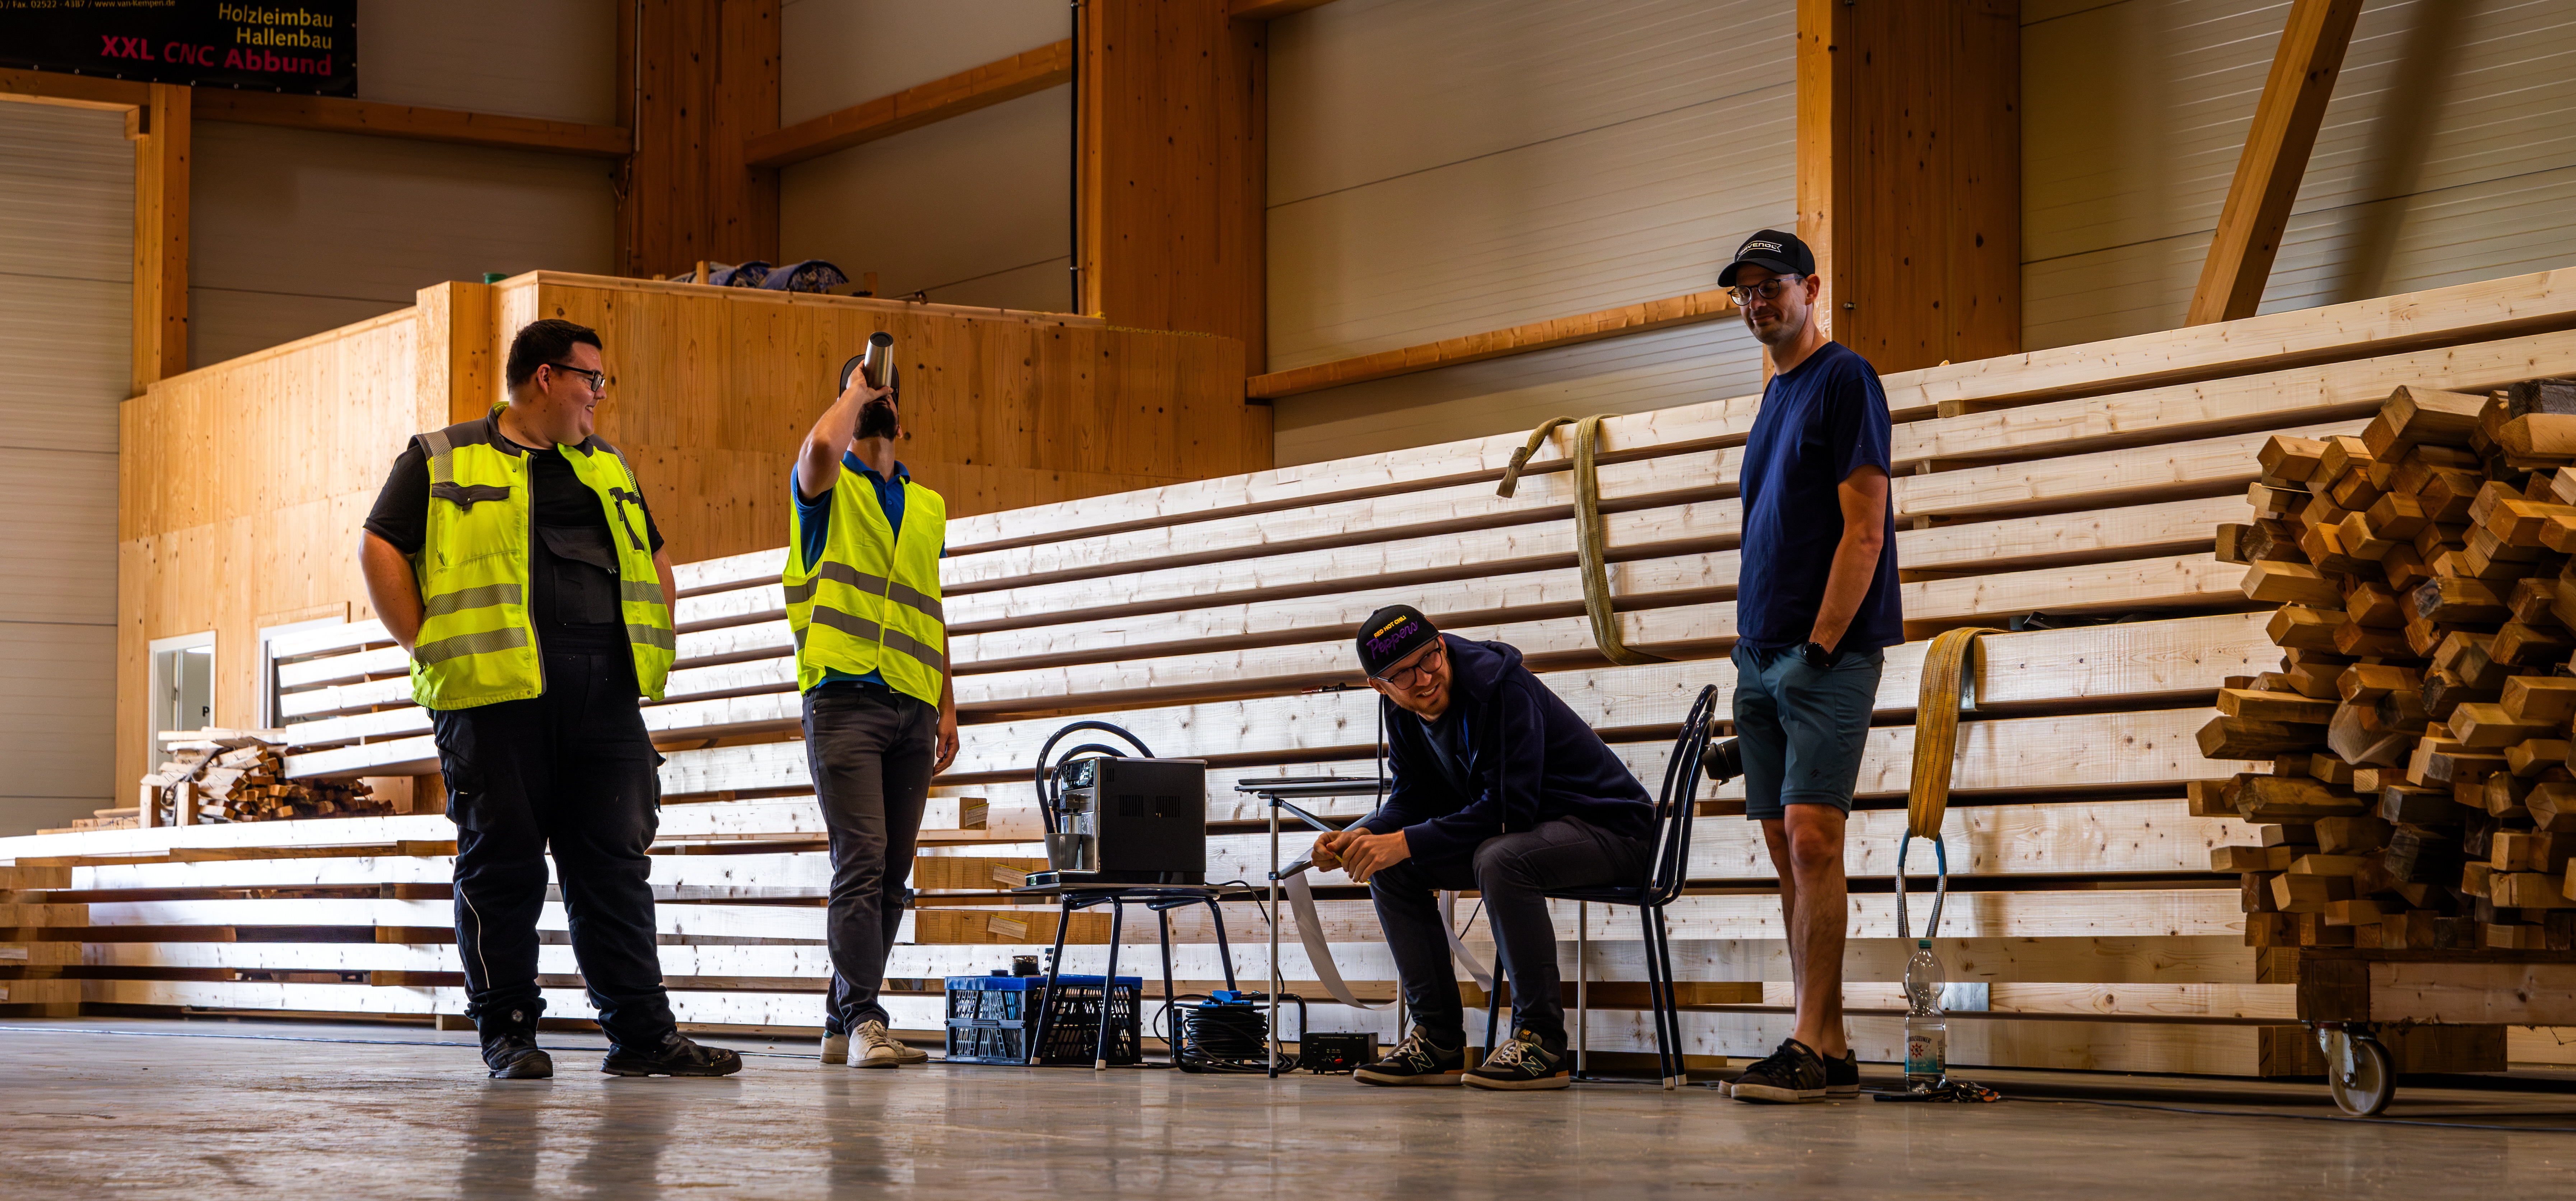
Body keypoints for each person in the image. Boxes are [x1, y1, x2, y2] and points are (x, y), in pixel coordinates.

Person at [359, 318, 741, 1079]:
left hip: (605, 700)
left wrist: (649, 639)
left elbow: (655, 559)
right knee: (502, 868)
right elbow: (380, 545)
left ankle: (642, 1036)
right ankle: (509, 1033)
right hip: (493, 700)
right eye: (590, 380)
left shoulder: (607, 465)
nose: (599, 396)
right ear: (546, 378)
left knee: (615, 869)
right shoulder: (442, 456)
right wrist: (424, 640)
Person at [1312, 605, 1657, 1091]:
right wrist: (1362, 836)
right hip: (1537, 833)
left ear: (1441, 644)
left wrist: (1403, 841)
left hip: (1615, 833)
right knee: (1389, 867)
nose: (1424, 679)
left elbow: (1508, 812)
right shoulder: (1401, 709)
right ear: (1380, 687)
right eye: (1403, 675)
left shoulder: (1501, 687)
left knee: (1499, 859)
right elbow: (1411, 798)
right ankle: (1438, 1042)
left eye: (1429, 659)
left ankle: (1541, 1043)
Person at [1714, 229, 1902, 1104]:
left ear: (1811, 288)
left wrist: (1821, 645)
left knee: (1815, 839)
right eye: (1744, 292)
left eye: (1772, 286)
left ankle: (1807, 1042)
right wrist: (1755, 655)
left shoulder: (1844, 379)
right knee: (1789, 853)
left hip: (1822, 654)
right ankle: (1824, 1039)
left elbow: (1865, 530)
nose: (1758, 302)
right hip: (1759, 656)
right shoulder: (1774, 395)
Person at [788, 350, 961, 1069]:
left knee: (892, 873)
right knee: (859, 860)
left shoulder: (928, 506)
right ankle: (865, 1017)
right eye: (864, 391)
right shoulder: (827, 484)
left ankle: (841, 1023)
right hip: (844, 699)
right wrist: (855, 393)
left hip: (913, 704)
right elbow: (818, 449)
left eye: (886, 393)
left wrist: (947, 703)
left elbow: (931, 606)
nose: (877, 398)